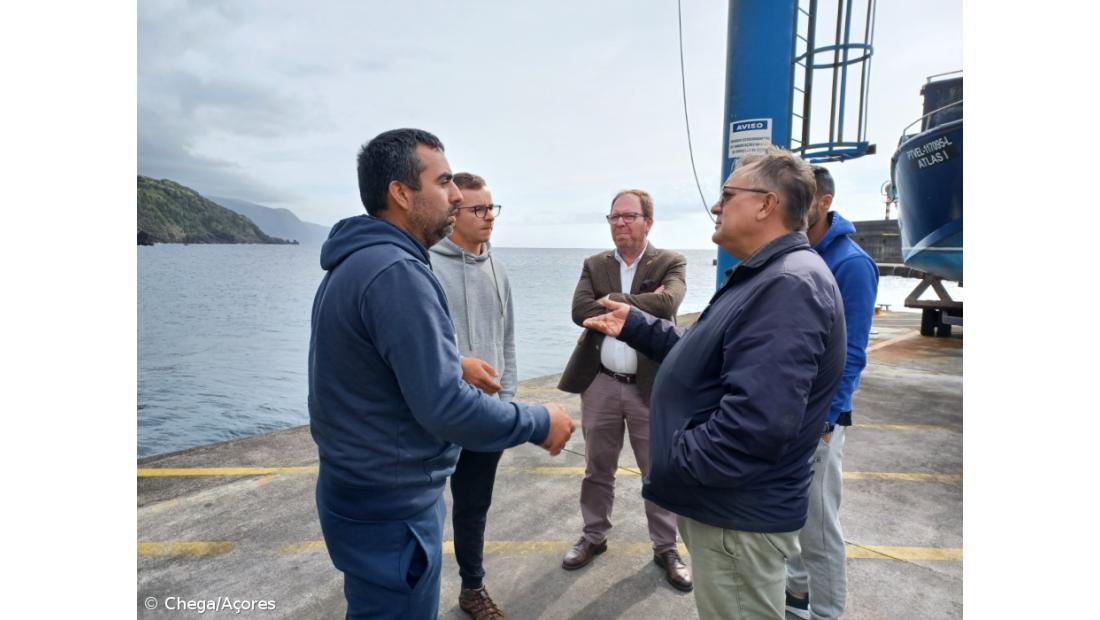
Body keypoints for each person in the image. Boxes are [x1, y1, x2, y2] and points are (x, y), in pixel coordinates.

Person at [307, 129, 575, 620]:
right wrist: (539, 421)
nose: (456, 196)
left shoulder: (357, 262)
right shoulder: (397, 273)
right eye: (444, 181)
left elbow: (371, 365)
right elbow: (445, 407)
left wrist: (452, 362)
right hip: (391, 507)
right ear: (402, 193)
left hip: (357, 492)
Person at [581, 147, 847, 620]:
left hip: (736, 518)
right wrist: (640, 326)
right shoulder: (770, 274)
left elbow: (756, 425)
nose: (717, 205)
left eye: (728, 194)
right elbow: (712, 352)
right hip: (731, 510)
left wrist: (676, 458)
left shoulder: (787, 285)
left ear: (766, 204)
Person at [557, 189, 693, 592]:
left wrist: (613, 301)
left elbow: (669, 302)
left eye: (628, 216)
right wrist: (638, 305)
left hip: (649, 387)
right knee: (598, 469)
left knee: (658, 471)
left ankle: (665, 547)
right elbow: (580, 311)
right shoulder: (594, 263)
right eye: (614, 217)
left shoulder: (671, 261)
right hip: (600, 382)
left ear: (647, 222)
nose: (620, 224)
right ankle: (593, 536)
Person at [784, 166, 879, 620]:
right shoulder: (801, 252)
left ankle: (826, 612)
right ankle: (797, 597)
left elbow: (852, 353)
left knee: (819, 527)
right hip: (790, 413)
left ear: (822, 202)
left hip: (820, 419)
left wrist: (827, 419)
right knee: (794, 517)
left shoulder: (851, 263)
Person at [429, 172, 515, 619]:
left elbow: (508, 341)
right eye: (478, 210)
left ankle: (472, 588)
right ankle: (414, 592)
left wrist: (509, 404)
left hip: (486, 416)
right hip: (437, 414)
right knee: (423, 507)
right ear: (454, 212)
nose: (488, 218)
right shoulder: (425, 265)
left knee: (473, 507)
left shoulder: (499, 270)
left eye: (491, 209)